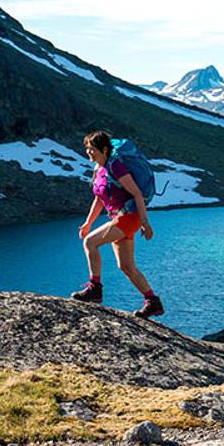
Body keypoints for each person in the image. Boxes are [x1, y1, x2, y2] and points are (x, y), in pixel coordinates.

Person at [69, 131, 164, 319]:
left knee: (90, 243)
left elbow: (137, 194)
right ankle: (153, 302)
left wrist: (145, 222)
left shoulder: (116, 167)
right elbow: (99, 198)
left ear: (104, 149)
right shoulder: (99, 169)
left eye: (92, 149)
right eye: (87, 149)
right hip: (119, 218)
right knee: (126, 266)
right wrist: (88, 222)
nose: (89, 153)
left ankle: (95, 289)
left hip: (129, 217)